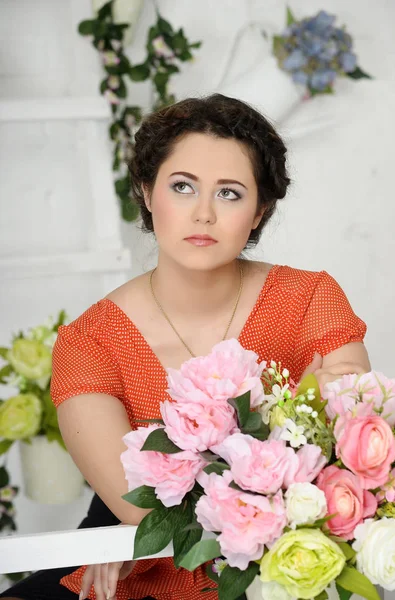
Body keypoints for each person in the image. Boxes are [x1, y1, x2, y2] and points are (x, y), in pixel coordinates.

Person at [0, 94, 370, 600]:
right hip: (134, 562)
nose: (203, 213)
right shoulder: (89, 342)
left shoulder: (310, 300)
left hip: (276, 563)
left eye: (230, 194)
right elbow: (146, 515)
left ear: (260, 210)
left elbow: (357, 445)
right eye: (182, 187)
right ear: (148, 194)